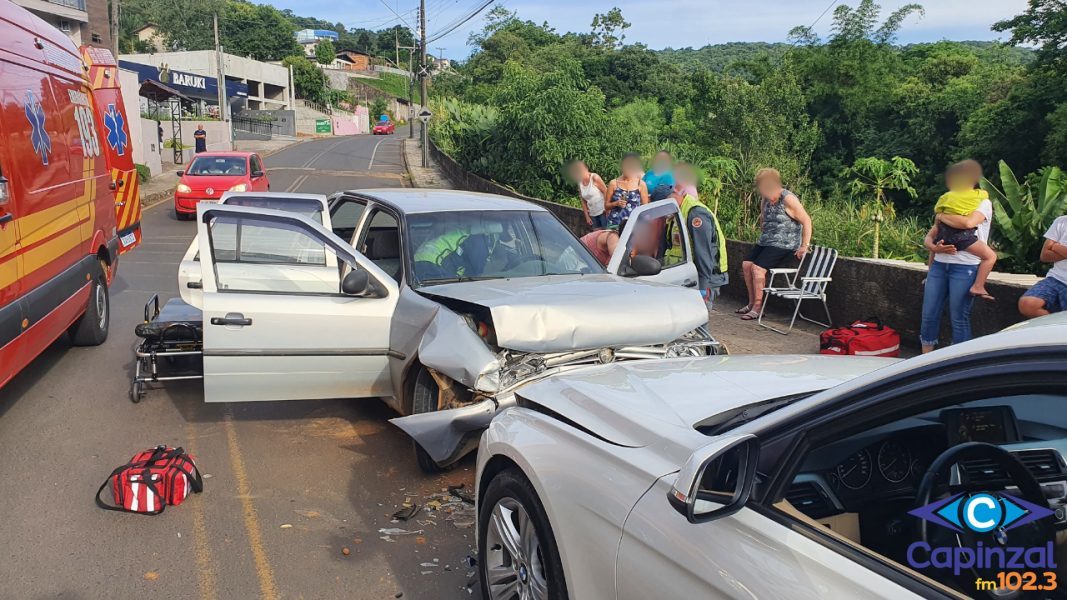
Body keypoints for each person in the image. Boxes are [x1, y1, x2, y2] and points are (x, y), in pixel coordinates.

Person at [919, 168, 995, 353]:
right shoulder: (949, 202)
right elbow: (929, 237)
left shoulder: (982, 203)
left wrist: (942, 216)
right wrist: (935, 248)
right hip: (938, 266)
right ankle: (924, 360)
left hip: (965, 267)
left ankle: (959, 360)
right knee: (928, 315)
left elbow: (968, 223)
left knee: (959, 317)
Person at [738, 168, 812, 321]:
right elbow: (763, 219)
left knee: (757, 269)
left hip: (785, 243)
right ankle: (751, 303)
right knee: (746, 264)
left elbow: (807, 221)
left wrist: (804, 245)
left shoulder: (788, 199)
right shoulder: (765, 200)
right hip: (767, 240)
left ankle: (758, 308)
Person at [932, 160, 997, 301]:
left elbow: (937, 218)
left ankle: (929, 275)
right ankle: (978, 286)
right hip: (964, 239)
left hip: (944, 235)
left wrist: (941, 216)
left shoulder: (946, 198)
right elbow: (968, 223)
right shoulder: (979, 197)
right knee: (991, 257)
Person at [665, 162, 728, 307]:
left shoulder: (695, 214)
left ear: (676, 195)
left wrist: (702, 287)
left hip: (704, 278)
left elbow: (703, 253)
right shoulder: (676, 214)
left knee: (699, 321)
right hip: (687, 276)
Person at [1019, 215, 1067, 317]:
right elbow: (1044, 255)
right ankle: (1057, 328)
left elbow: (1050, 248)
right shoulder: (1061, 221)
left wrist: (1055, 246)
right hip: (1056, 278)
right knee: (1027, 304)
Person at [605, 154, 649, 228]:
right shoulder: (613, 183)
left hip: (633, 225)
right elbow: (606, 206)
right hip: (615, 223)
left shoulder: (641, 184)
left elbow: (645, 208)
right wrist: (616, 203)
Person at [567, 160, 608, 229]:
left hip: (603, 211)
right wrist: (587, 216)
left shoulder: (594, 177)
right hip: (593, 213)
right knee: (596, 235)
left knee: (606, 233)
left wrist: (607, 209)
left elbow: (606, 192)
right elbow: (583, 200)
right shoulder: (579, 182)